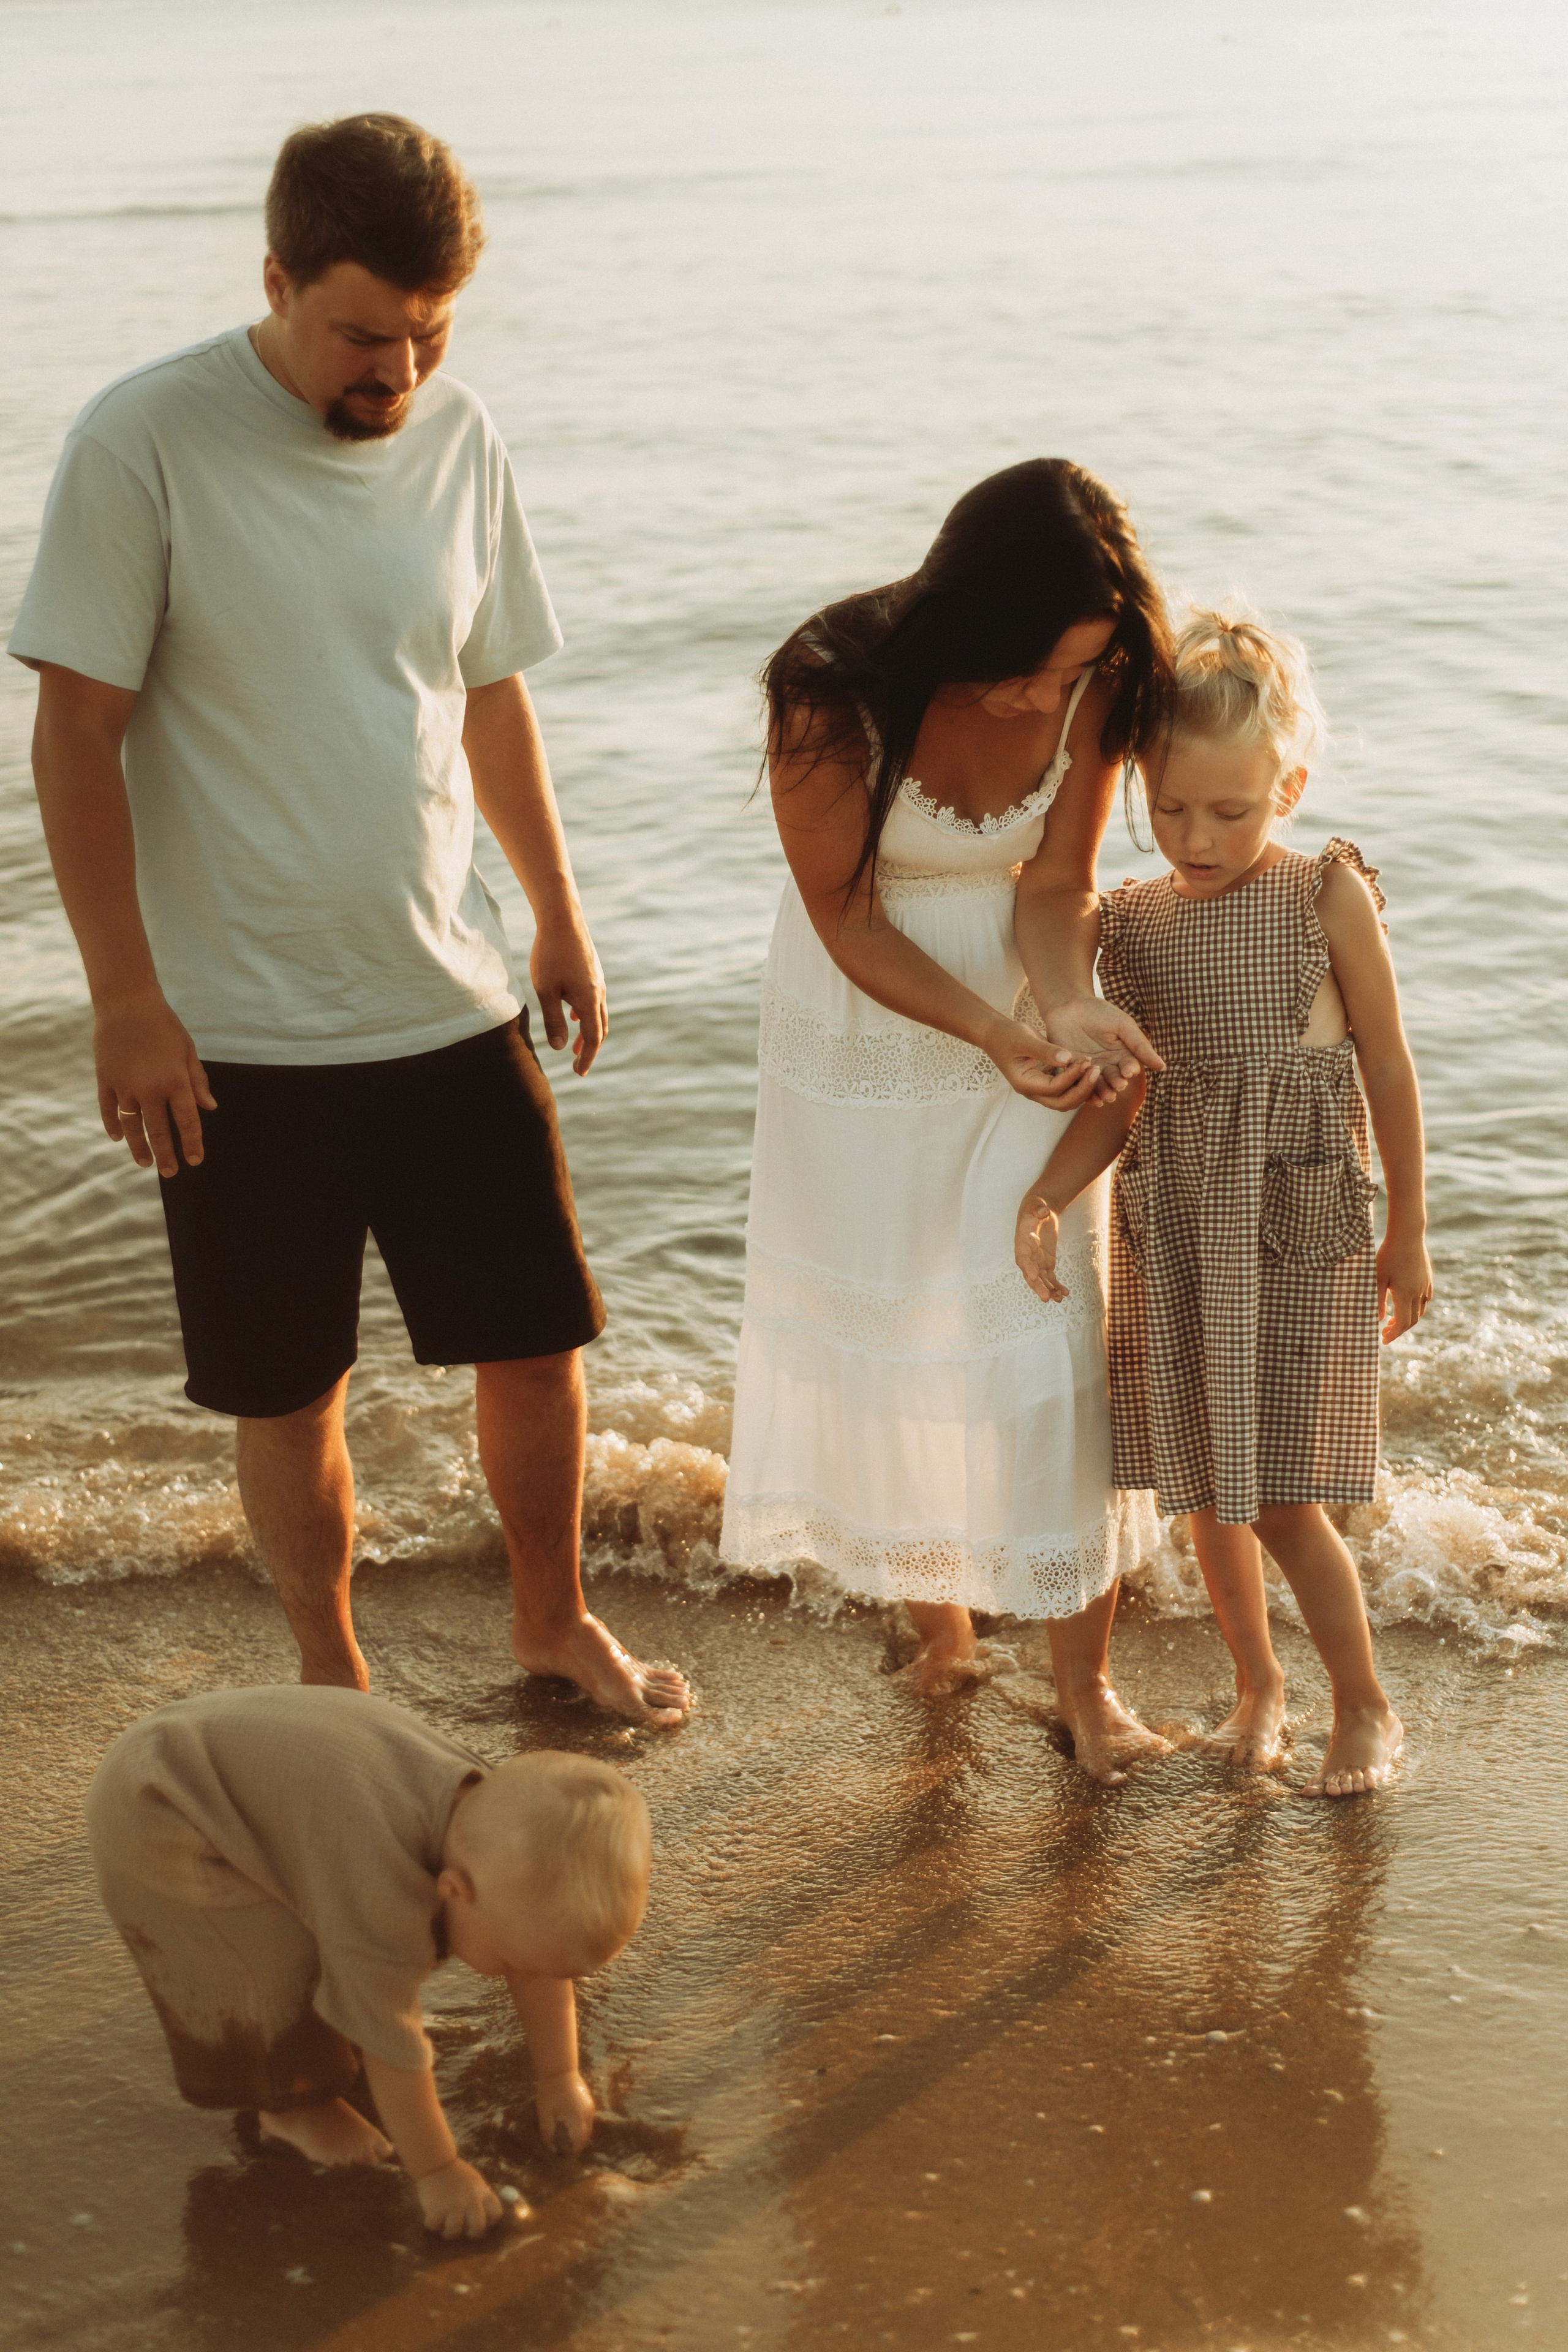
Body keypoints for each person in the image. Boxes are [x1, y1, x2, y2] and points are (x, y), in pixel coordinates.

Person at [9, 113, 687, 1727]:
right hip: (239, 1038)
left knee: (537, 1342)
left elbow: (491, 696)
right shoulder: (143, 442)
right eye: (363, 335)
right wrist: (127, 1000)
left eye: (431, 335)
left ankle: (551, 1621)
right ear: (277, 281)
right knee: (288, 1387)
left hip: (446, 998)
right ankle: (331, 1677)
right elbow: (73, 735)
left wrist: (555, 915)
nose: (398, 370)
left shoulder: (460, 441)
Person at [721, 458, 1178, 1784]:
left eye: (1073, 673)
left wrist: (1066, 1004)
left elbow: (1058, 884)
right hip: (868, 1020)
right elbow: (844, 915)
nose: (1050, 698)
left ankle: (1084, 1682)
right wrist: (987, 1032)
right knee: (905, 1318)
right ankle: (941, 1621)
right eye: (1026, 670)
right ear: (964, 618)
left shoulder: (1099, 683)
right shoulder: (827, 685)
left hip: (1022, 1011)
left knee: (1052, 1333)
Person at [1015, 606, 1429, 1797]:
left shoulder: (1320, 896)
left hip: (1294, 1233)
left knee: (1289, 1499)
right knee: (1207, 1492)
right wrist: (1045, 1197)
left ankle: (1362, 1706)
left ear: (1285, 785)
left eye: (1229, 812)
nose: (1194, 837)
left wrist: (1405, 1229)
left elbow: (1388, 1066)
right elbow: (1114, 1100)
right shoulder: (1132, 926)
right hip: (1185, 1236)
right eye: (1170, 808)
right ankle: (1258, 1686)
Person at [85, 1685, 652, 2237]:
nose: (520, 1978)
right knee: (260, 1972)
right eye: (508, 1964)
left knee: (337, 1937)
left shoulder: (501, 1821)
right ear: (452, 1892)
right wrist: (438, 2170)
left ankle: (321, 2036)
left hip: (226, 1749)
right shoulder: (389, 1890)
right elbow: (390, 2037)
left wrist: (559, 2075)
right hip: (165, 1809)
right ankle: (290, 2108)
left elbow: (541, 1965)